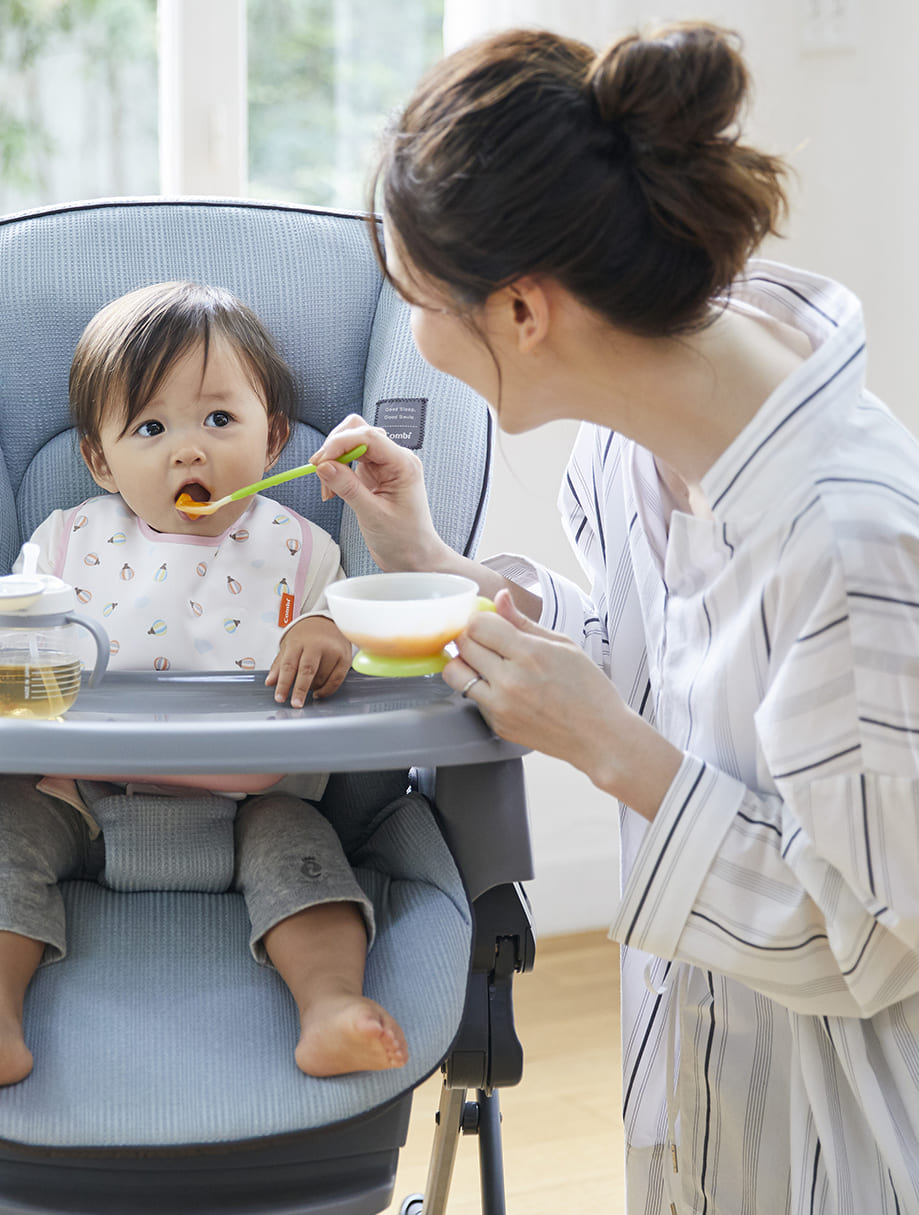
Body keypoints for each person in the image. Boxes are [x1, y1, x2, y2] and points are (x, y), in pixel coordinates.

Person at [310, 22, 919, 1215]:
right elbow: (662, 670)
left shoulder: (855, 547)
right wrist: (431, 565)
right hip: (693, 1073)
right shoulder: (632, 447)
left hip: (846, 1141)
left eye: (421, 301)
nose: (419, 340)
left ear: (525, 311)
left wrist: (609, 749)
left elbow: (867, 940)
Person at [0, 281, 408, 1092]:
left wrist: (327, 634)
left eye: (220, 419)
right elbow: (10, 624)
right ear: (99, 460)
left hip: (256, 800)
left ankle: (330, 1006)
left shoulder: (302, 547)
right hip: (79, 795)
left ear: (273, 437)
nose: (188, 450)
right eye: (150, 426)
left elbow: (353, 631)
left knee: (307, 855)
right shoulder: (67, 540)